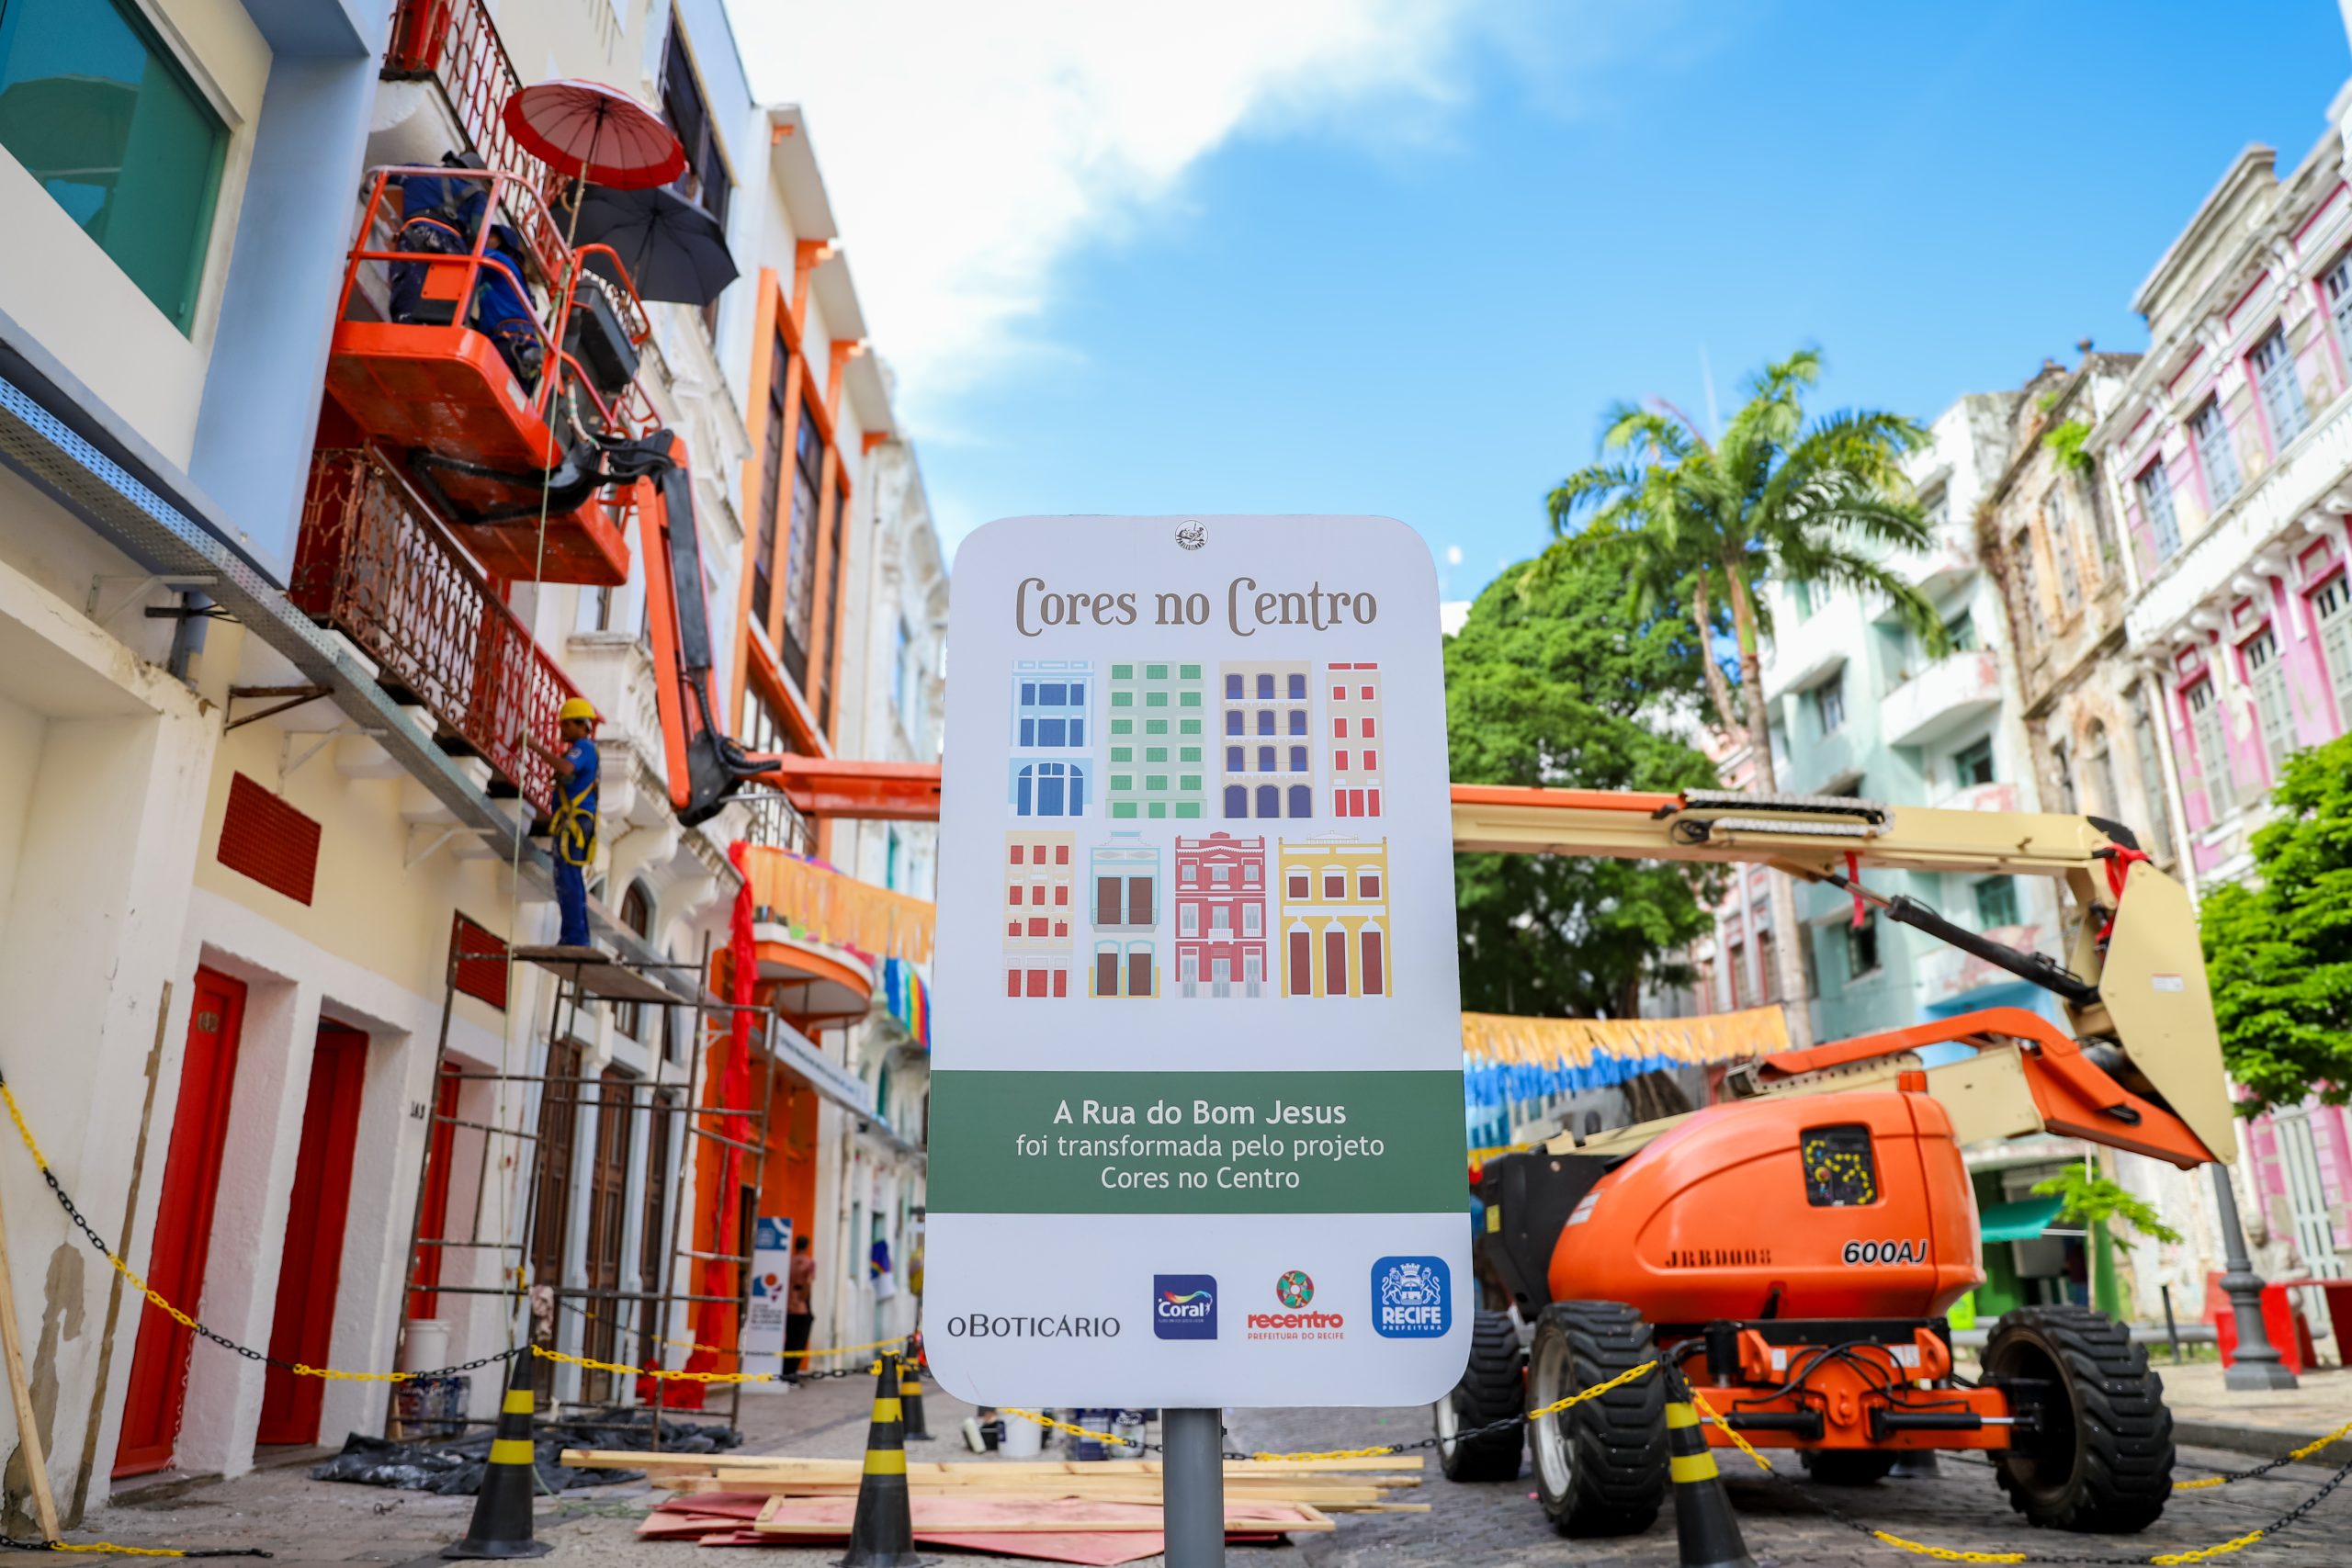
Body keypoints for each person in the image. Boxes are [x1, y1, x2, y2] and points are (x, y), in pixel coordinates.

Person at [523, 698, 601, 947]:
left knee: (568, 878)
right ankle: (576, 936)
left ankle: (574, 937)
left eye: (567, 725)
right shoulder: (584, 749)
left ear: (581, 725)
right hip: (575, 821)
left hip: (574, 822)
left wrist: (534, 746)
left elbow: (567, 768)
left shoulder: (583, 747)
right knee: (569, 878)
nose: (562, 729)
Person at [783, 1235, 816, 1386]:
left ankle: (786, 1371)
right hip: (801, 1307)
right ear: (807, 1246)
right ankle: (792, 1373)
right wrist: (803, 1301)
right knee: (799, 1342)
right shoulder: (809, 1263)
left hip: (788, 1305)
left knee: (789, 1341)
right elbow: (808, 1284)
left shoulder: (789, 1262)